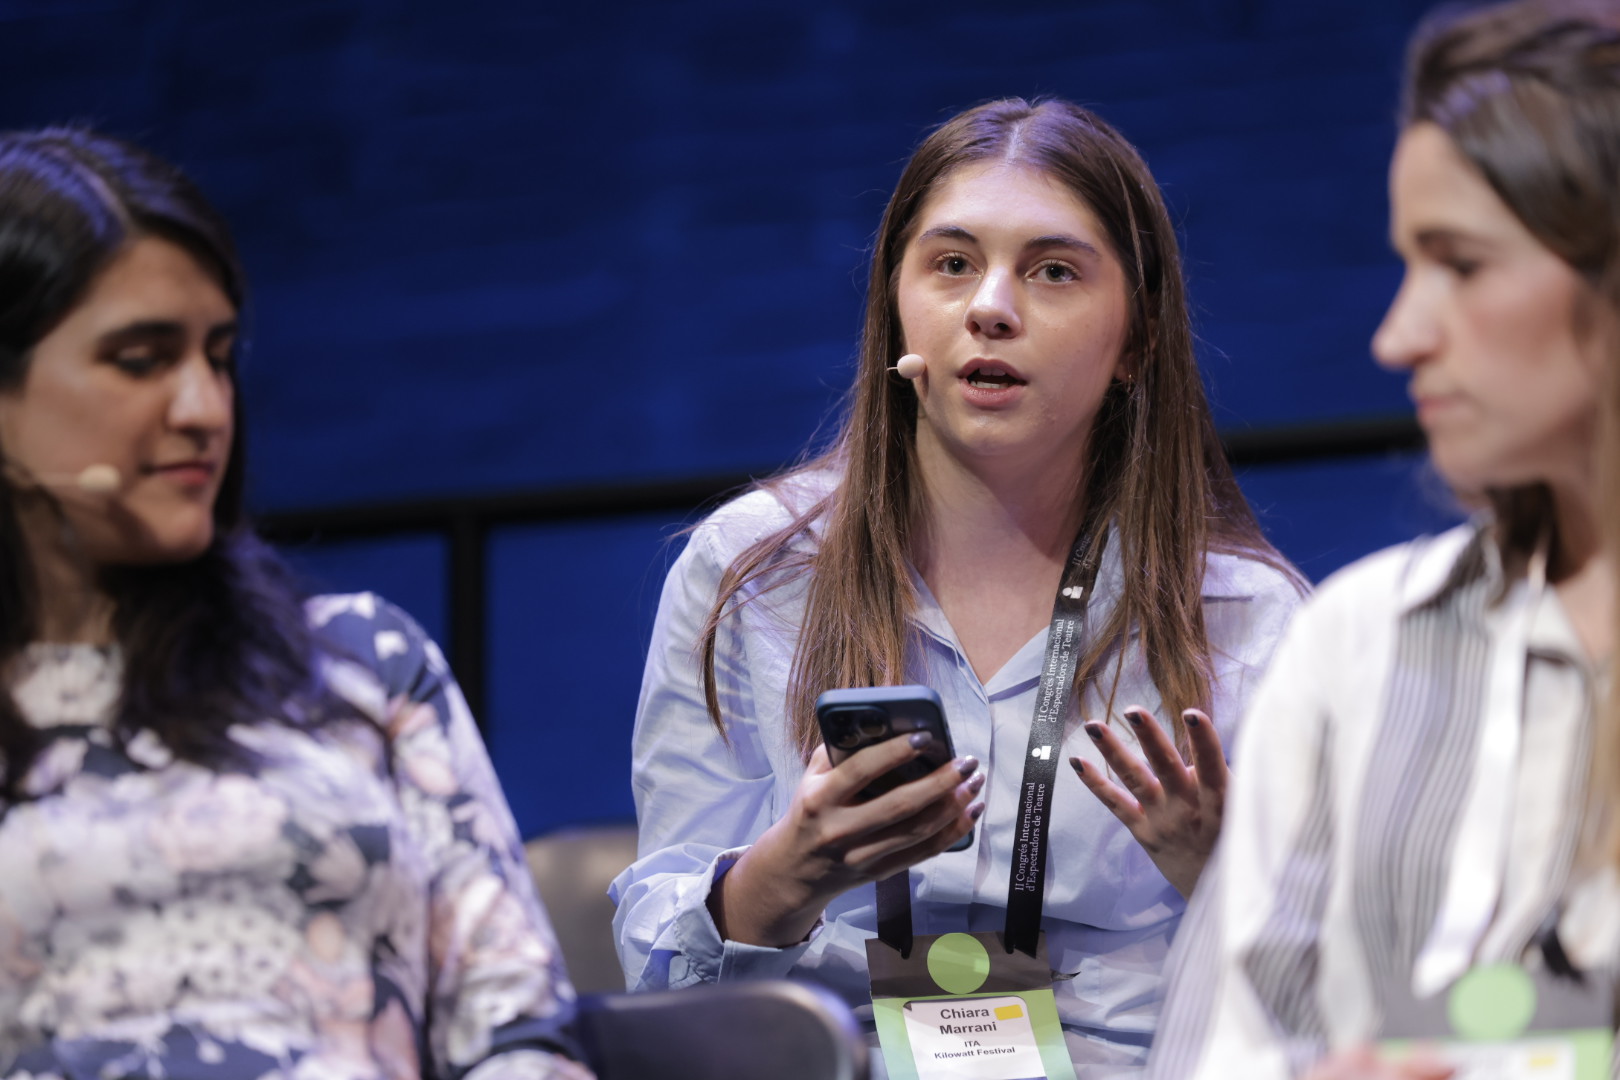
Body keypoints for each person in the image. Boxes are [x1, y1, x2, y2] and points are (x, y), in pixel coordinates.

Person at [610, 96, 1303, 1075]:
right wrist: (784, 876)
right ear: (896, 308)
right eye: (952, 264)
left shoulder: (1246, 619)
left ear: (1137, 341)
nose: (990, 307)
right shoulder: (754, 571)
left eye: (1053, 271)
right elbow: (660, 1004)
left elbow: (1347, 999)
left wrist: (1228, 879)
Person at [0, 129, 592, 1080]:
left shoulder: (360, 667)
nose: (203, 408)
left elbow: (517, 1031)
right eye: (141, 359)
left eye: (217, 357)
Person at [1143, 2, 1620, 1076]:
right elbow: (1225, 1042)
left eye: (1463, 265)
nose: (1397, 336)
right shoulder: (1357, 641)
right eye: (1408, 264)